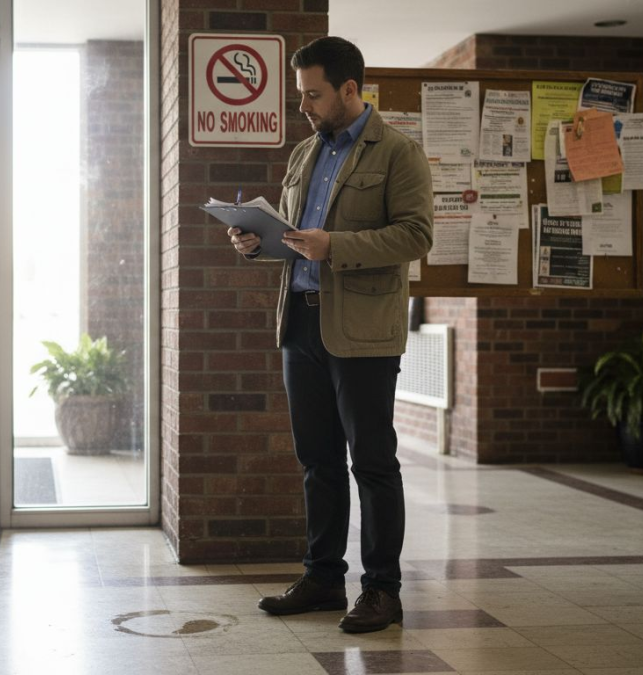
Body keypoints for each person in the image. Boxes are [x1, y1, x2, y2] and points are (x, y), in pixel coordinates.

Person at [227, 36, 433, 634]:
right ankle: (323, 578)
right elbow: (295, 238)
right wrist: (256, 243)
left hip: (364, 331)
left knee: (372, 461)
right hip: (300, 322)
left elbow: (417, 236)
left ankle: (382, 591)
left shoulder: (398, 153)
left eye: (313, 95)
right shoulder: (303, 154)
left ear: (350, 89)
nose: (304, 107)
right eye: (300, 96)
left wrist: (335, 246)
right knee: (317, 460)